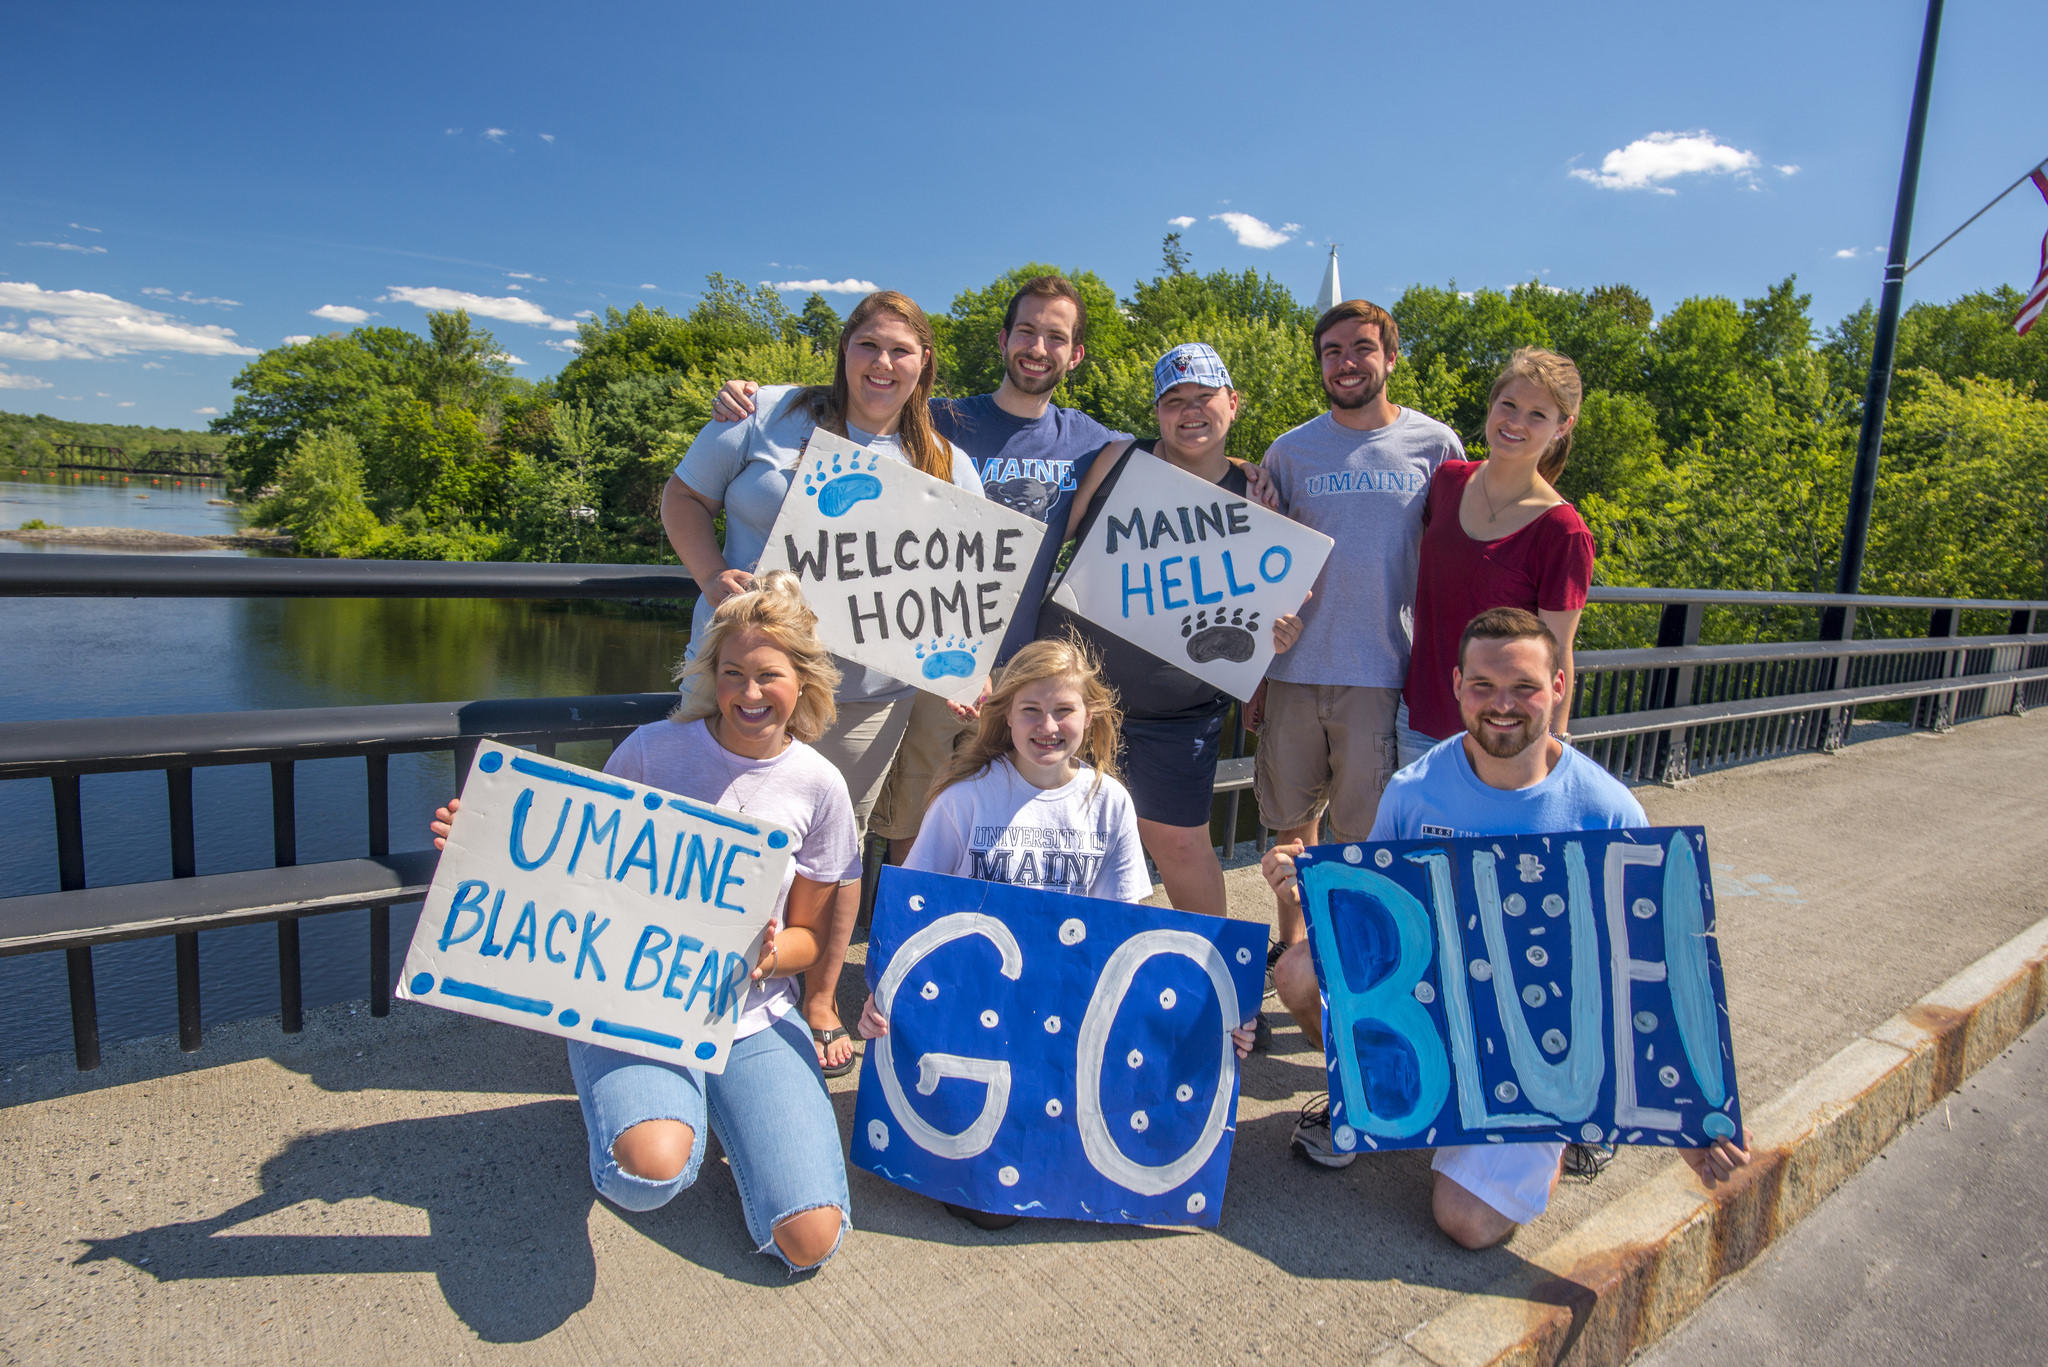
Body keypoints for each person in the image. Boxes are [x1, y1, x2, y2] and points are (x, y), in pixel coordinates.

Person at [1261, 608, 1753, 1249]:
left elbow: (1652, 973)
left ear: (1558, 688)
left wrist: (1682, 1123)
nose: (1502, 705)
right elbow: (1370, 936)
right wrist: (1313, 893)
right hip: (1436, 1010)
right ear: (1459, 685)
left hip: (1543, 1041)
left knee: (1466, 1224)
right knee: (1299, 971)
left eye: (1524, 687)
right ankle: (1369, 1095)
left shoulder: (1608, 810)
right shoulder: (1414, 790)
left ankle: (1572, 1122)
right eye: (1485, 686)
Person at [429, 572, 862, 1272]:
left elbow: (812, 935)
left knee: (809, 1240)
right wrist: (481, 840)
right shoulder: (651, 752)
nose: (749, 693)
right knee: (648, 1170)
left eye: (768, 675)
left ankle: (723, 1103)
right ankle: (645, 1101)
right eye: (732, 673)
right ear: (710, 675)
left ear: (804, 680)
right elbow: (575, 864)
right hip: (634, 1002)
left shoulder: (819, 785)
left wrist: (775, 953)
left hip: (747, 1015)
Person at [660, 289, 982, 1078]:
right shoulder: (763, 413)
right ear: (844, 350)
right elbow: (682, 499)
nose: (883, 363)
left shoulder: (946, 461)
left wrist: (961, 666)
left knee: (829, 852)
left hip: (866, 694)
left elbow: (965, 580)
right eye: (868, 345)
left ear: (924, 364)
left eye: (901, 350)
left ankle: (815, 996)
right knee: (710, 828)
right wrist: (710, 578)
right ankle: (679, 988)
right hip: (741, 677)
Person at [711, 277, 1134, 869]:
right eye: (1027, 332)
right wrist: (749, 397)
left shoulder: (1091, 441)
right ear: (1003, 339)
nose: (1038, 347)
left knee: (967, 815)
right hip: (895, 656)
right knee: (885, 812)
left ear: (1075, 353)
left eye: (1055, 337)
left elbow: (1171, 456)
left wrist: (1247, 471)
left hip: (993, 664)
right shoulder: (938, 419)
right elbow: (863, 395)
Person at [855, 632, 1257, 1229]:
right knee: (992, 1211)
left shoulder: (1110, 802)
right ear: (1006, 716)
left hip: (1071, 1016)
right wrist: (882, 1001)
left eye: (1063, 710)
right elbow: (913, 922)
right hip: (980, 1019)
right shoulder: (963, 801)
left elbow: (1131, 937)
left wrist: (1211, 1022)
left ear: (1088, 716)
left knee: (1101, 1156)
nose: (1048, 726)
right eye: (1031, 711)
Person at [1037, 343, 1303, 922]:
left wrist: (1276, 635)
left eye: (1204, 399)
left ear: (1233, 403)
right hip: (1068, 696)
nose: (1189, 412)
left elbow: (1272, 613)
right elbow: (1050, 547)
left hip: (1176, 714)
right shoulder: (1117, 459)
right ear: (1157, 412)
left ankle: (1216, 980)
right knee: (1051, 836)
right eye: (1173, 401)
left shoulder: (1259, 500)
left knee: (1182, 846)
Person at [1250, 299, 1464, 960]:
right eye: (1331, 351)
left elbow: (1457, 548)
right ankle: (1291, 948)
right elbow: (1259, 565)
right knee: (1289, 823)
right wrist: (1253, 671)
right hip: (1290, 670)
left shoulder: (1436, 447)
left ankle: (1343, 956)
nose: (1345, 362)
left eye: (1361, 348)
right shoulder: (1290, 450)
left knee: (1359, 835)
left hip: (1380, 671)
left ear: (1391, 357)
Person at [1399, 348, 1595, 764]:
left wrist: (1554, 745)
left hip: (1504, 733)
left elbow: (1558, 649)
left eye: (1537, 415)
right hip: (1418, 720)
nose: (1516, 422)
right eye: (1508, 405)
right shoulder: (1448, 482)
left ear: (1564, 426)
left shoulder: (1562, 530)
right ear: (1491, 405)